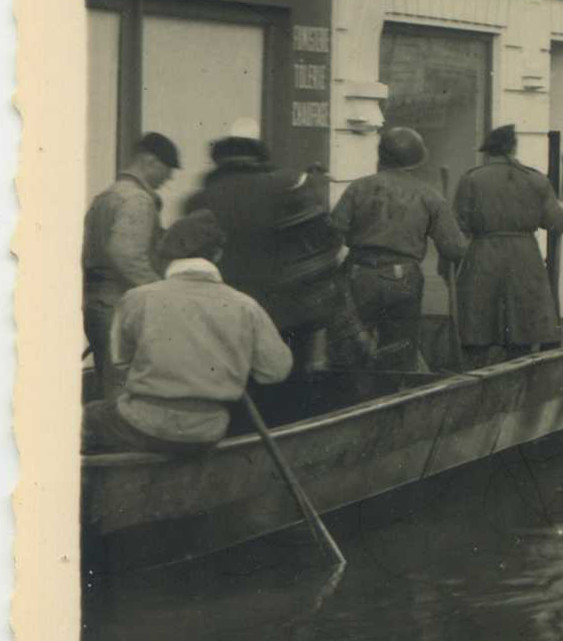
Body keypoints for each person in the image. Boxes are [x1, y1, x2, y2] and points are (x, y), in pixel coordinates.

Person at [82, 213, 293, 455]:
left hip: (144, 425)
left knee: (89, 416)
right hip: (206, 431)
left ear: (166, 257)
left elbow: (120, 361)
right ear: (217, 255)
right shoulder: (246, 306)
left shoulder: (138, 298)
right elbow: (276, 371)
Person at [188, 131, 373, 371]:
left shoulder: (198, 200)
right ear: (261, 159)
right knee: (288, 379)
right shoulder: (288, 186)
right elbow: (326, 241)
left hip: (223, 312)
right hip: (288, 312)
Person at [329, 126, 467, 369]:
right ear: (417, 159)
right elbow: (454, 249)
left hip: (360, 275)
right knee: (399, 354)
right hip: (404, 280)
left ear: (381, 155)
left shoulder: (358, 188)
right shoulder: (429, 196)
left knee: (350, 352)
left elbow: (331, 235)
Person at [450, 124, 563, 366]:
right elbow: (555, 223)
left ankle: (480, 374)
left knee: (478, 323)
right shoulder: (536, 180)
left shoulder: (471, 179)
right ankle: (519, 370)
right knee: (524, 325)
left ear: (488, 151)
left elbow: (458, 224)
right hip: (524, 258)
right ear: (513, 148)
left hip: (483, 256)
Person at [83, 132, 180, 374]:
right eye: (164, 173)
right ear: (150, 162)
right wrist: (160, 290)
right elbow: (126, 255)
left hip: (96, 302)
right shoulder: (137, 199)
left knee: (110, 382)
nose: (164, 181)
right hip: (120, 304)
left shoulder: (105, 197)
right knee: (127, 388)